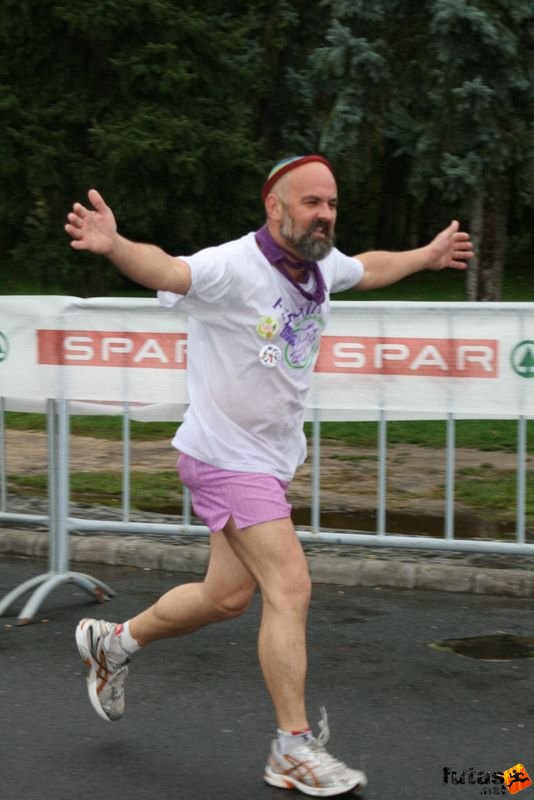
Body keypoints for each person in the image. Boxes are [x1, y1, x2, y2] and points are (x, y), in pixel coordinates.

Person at [65, 154, 473, 797]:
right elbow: (169, 269)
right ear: (274, 206)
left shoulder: (318, 265)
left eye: (332, 203)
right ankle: (292, 747)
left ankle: (114, 643)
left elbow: (367, 269)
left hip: (265, 461)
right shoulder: (233, 267)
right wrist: (115, 245)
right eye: (312, 202)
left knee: (226, 598)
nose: (325, 214)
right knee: (291, 584)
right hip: (225, 458)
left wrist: (424, 254)